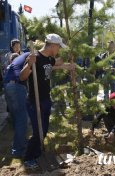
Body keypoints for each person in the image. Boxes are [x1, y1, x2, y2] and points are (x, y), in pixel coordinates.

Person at [19, 33, 76, 167]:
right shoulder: (35, 57)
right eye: (59, 47)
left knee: (43, 130)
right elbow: (22, 77)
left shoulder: (49, 59)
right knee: (38, 131)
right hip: (35, 101)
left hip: (45, 99)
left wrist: (68, 62)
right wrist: (29, 65)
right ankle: (28, 159)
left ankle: (37, 154)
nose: (59, 50)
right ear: (53, 45)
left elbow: (57, 63)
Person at [3, 52, 32, 158]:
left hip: (8, 86)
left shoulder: (14, 62)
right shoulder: (30, 55)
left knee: (16, 117)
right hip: (17, 87)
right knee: (22, 119)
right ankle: (18, 150)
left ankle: (20, 143)